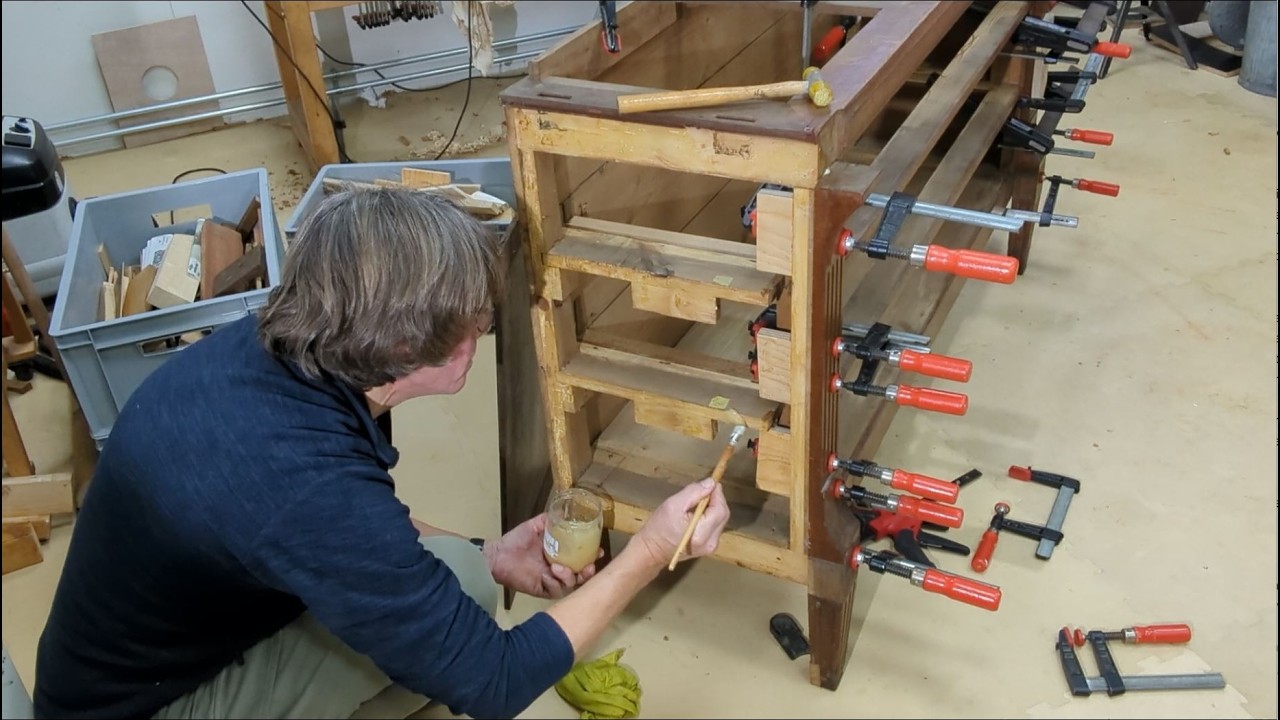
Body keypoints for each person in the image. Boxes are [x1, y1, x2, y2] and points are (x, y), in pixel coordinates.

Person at [33, 187, 731, 719]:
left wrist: (487, 549)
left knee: (466, 573)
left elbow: (358, 523)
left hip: (157, 644)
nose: (482, 330)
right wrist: (650, 551)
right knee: (452, 642)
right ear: (407, 350)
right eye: (477, 324)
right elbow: (496, 681)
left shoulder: (283, 345)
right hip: (147, 708)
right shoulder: (303, 483)